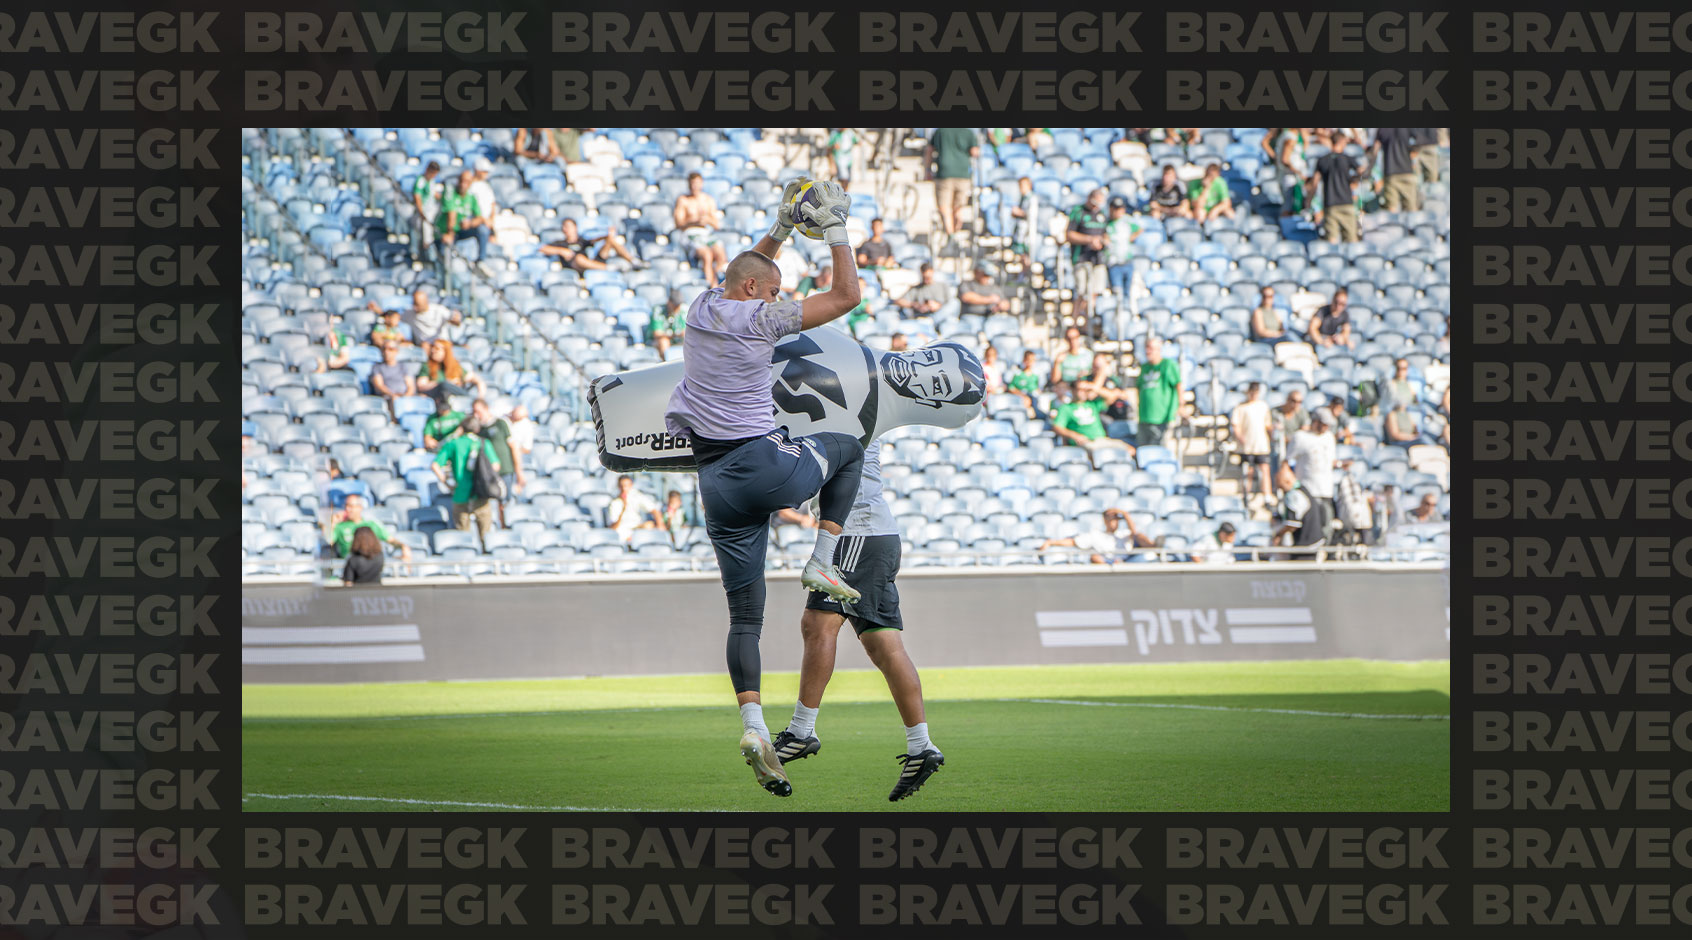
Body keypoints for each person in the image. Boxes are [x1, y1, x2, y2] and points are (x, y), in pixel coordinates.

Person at [661, 178, 870, 798]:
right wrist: (835, 231)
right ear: (755, 292)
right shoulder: (761, 319)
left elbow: (747, 268)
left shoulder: (701, 306)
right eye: (774, 289)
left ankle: (753, 726)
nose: (780, 296)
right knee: (849, 445)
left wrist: (780, 229)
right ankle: (823, 560)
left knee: (745, 617)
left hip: (715, 484)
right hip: (760, 463)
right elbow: (847, 296)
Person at [773, 441, 945, 801]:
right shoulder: (855, 411)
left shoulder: (836, 417)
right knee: (884, 645)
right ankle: (921, 746)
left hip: (856, 532)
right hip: (875, 533)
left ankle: (802, 730)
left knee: (818, 624)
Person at [432, 416, 500, 545]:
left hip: (460, 493)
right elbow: (495, 465)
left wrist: (446, 483)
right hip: (480, 492)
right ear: (477, 429)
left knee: (463, 537)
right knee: (486, 536)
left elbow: (435, 465)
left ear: (462, 428)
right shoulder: (483, 442)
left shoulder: (453, 443)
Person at [1285, 410, 1338, 551]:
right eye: (1324, 424)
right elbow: (1287, 461)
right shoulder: (1301, 437)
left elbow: (1331, 461)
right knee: (1309, 528)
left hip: (1326, 490)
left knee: (1327, 526)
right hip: (1307, 491)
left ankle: (1324, 553)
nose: (1326, 428)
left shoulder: (1329, 438)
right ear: (1315, 422)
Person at [471, 397, 525, 526]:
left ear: (486, 409)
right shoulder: (479, 430)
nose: (476, 415)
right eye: (474, 412)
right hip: (487, 475)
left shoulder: (501, 424)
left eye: (478, 411)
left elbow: (514, 447)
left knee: (506, 504)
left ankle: (506, 528)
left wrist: (519, 472)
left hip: (505, 471)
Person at [1051, 382, 1134, 465]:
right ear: (1073, 390)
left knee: (1130, 450)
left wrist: (1093, 387)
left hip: (1102, 440)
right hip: (1086, 442)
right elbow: (1057, 427)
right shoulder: (1066, 408)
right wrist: (1075, 436)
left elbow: (1111, 397)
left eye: (1085, 390)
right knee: (1098, 454)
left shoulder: (1092, 404)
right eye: (1080, 390)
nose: (1083, 392)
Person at [1038, 509, 1156, 564]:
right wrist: (1051, 542)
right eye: (1111, 519)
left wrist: (1125, 514)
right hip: (1108, 563)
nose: (1114, 522)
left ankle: (1156, 548)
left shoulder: (1125, 534)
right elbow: (1074, 542)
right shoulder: (1096, 535)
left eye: (1116, 519)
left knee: (1140, 539)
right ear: (1105, 520)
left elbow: (1134, 532)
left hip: (1127, 561)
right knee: (1094, 557)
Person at [1064, 187, 1110, 326]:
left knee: (1095, 291)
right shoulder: (1078, 212)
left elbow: (1105, 233)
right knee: (1082, 291)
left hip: (1098, 259)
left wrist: (1103, 241)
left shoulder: (1102, 214)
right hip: (1081, 258)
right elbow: (1069, 235)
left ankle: (1087, 323)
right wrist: (1090, 240)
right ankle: (1074, 322)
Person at [673, 171, 726, 286]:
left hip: (705, 232)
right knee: (707, 255)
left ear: (701, 184)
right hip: (690, 232)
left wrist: (707, 220)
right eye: (692, 183)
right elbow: (678, 223)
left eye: (697, 183)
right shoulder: (683, 200)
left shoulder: (708, 200)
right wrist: (693, 220)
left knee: (720, 253)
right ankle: (712, 286)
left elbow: (716, 224)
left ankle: (719, 282)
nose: (695, 186)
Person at [1310, 130, 1362, 243]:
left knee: (1331, 240)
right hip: (1346, 203)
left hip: (1330, 204)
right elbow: (1361, 170)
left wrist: (1309, 201)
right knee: (1351, 240)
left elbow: (1314, 182)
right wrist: (1354, 180)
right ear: (1341, 142)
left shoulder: (1322, 160)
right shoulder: (1346, 158)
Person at [324, 494, 411, 562]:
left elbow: (390, 540)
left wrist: (403, 546)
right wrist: (333, 523)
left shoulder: (370, 524)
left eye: (351, 506)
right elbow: (329, 541)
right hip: (349, 564)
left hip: (370, 563)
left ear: (359, 508)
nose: (347, 509)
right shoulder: (340, 526)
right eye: (346, 506)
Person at [926, 127, 979, 237]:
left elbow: (929, 150)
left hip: (944, 173)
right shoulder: (968, 132)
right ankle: (955, 234)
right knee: (958, 208)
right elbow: (975, 152)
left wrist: (927, 170)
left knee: (945, 208)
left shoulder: (940, 131)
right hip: (963, 174)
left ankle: (951, 235)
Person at [540, 216, 645, 271]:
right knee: (579, 258)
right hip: (576, 266)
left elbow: (594, 241)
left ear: (575, 228)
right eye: (564, 227)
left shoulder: (582, 241)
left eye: (568, 226)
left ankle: (634, 261)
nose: (566, 229)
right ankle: (608, 268)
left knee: (611, 240)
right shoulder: (560, 243)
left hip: (591, 262)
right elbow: (543, 248)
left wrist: (607, 235)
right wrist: (561, 251)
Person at [1231, 382, 1274, 510]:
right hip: (1247, 447)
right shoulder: (1241, 407)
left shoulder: (1263, 406)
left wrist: (1272, 435)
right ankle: (1246, 496)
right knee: (1248, 472)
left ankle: (1267, 497)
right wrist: (1240, 438)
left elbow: (1268, 425)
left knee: (1265, 469)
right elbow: (1236, 425)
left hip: (1261, 445)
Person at [1134, 336, 1181, 447]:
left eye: (1151, 348)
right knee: (1142, 450)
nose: (1148, 351)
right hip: (1144, 417)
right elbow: (1139, 388)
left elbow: (1178, 385)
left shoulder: (1168, 365)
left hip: (1161, 418)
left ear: (1158, 349)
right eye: (1146, 347)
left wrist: (1181, 405)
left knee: (1159, 450)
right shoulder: (1144, 367)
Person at [438, 170, 492, 261]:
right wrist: (450, 234)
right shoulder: (450, 191)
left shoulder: (471, 197)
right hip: (447, 230)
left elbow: (479, 217)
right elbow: (452, 214)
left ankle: (481, 260)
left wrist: (470, 223)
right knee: (446, 250)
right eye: (461, 181)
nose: (463, 184)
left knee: (483, 229)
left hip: (461, 230)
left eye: (467, 182)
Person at [417, 338, 487, 400]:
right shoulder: (427, 366)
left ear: (446, 351)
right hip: (436, 397)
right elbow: (421, 386)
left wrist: (480, 396)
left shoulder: (455, 366)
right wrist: (440, 383)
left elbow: (476, 379)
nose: (433, 350)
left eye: (437, 348)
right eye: (432, 347)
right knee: (444, 385)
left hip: (453, 398)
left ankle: (469, 399)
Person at [1371, 128, 1422, 212]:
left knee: (1392, 210)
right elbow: (1419, 141)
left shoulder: (1382, 129)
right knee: (1410, 209)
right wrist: (1413, 156)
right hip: (1407, 172)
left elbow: (1375, 151)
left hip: (1390, 173)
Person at [1262, 127, 1310, 217]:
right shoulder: (1290, 137)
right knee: (1289, 207)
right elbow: (1285, 159)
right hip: (1290, 177)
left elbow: (1304, 148)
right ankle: (1285, 224)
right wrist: (1298, 172)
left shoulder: (1292, 135)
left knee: (1295, 206)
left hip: (1291, 175)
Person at [1104, 195, 1143, 299]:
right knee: (1117, 292)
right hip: (1113, 261)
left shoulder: (1127, 221)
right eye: (1115, 209)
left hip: (1127, 260)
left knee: (1128, 292)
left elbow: (1139, 229)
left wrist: (1131, 238)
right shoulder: (1106, 222)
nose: (1118, 212)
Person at [368, 341, 414, 421]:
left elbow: (411, 386)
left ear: (396, 351)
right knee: (395, 400)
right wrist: (393, 395)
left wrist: (405, 396)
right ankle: (395, 422)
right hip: (388, 398)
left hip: (403, 396)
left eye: (390, 349)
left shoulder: (403, 366)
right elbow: (379, 385)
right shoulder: (377, 367)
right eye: (384, 349)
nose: (386, 352)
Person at [609, 475, 663, 541]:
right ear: (618, 487)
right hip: (623, 530)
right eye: (621, 486)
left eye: (626, 486)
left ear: (631, 485)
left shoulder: (637, 496)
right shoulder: (614, 503)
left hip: (637, 528)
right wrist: (623, 509)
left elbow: (654, 510)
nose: (624, 489)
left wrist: (660, 525)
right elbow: (613, 527)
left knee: (649, 525)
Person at [410, 160, 443, 261]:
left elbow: (435, 195)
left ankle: (433, 253)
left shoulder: (432, 182)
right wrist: (421, 213)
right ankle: (423, 252)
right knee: (425, 230)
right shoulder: (421, 181)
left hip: (432, 210)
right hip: (423, 212)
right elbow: (417, 197)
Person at [648, 288, 688, 361]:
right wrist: (674, 335)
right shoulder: (658, 310)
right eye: (675, 305)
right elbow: (657, 334)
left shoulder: (683, 310)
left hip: (678, 340)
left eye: (678, 305)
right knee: (663, 341)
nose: (676, 308)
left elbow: (685, 332)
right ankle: (666, 364)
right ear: (669, 302)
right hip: (657, 342)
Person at [1008, 176, 1038, 269]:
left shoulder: (1032, 198)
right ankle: (1023, 274)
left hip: (1027, 232)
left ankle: (1027, 273)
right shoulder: (1022, 198)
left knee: (1026, 257)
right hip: (1020, 232)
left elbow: (1031, 215)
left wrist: (1019, 212)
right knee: (1021, 256)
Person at [1007, 349, 1043, 416]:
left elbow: (1038, 389)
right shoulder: (1018, 374)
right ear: (1024, 360)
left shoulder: (1035, 376)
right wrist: (1023, 395)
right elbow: (1011, 388)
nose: (1030, 362)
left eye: (1032, 360)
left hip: (1034, 400)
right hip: (1022, 400)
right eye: (1028, 360)